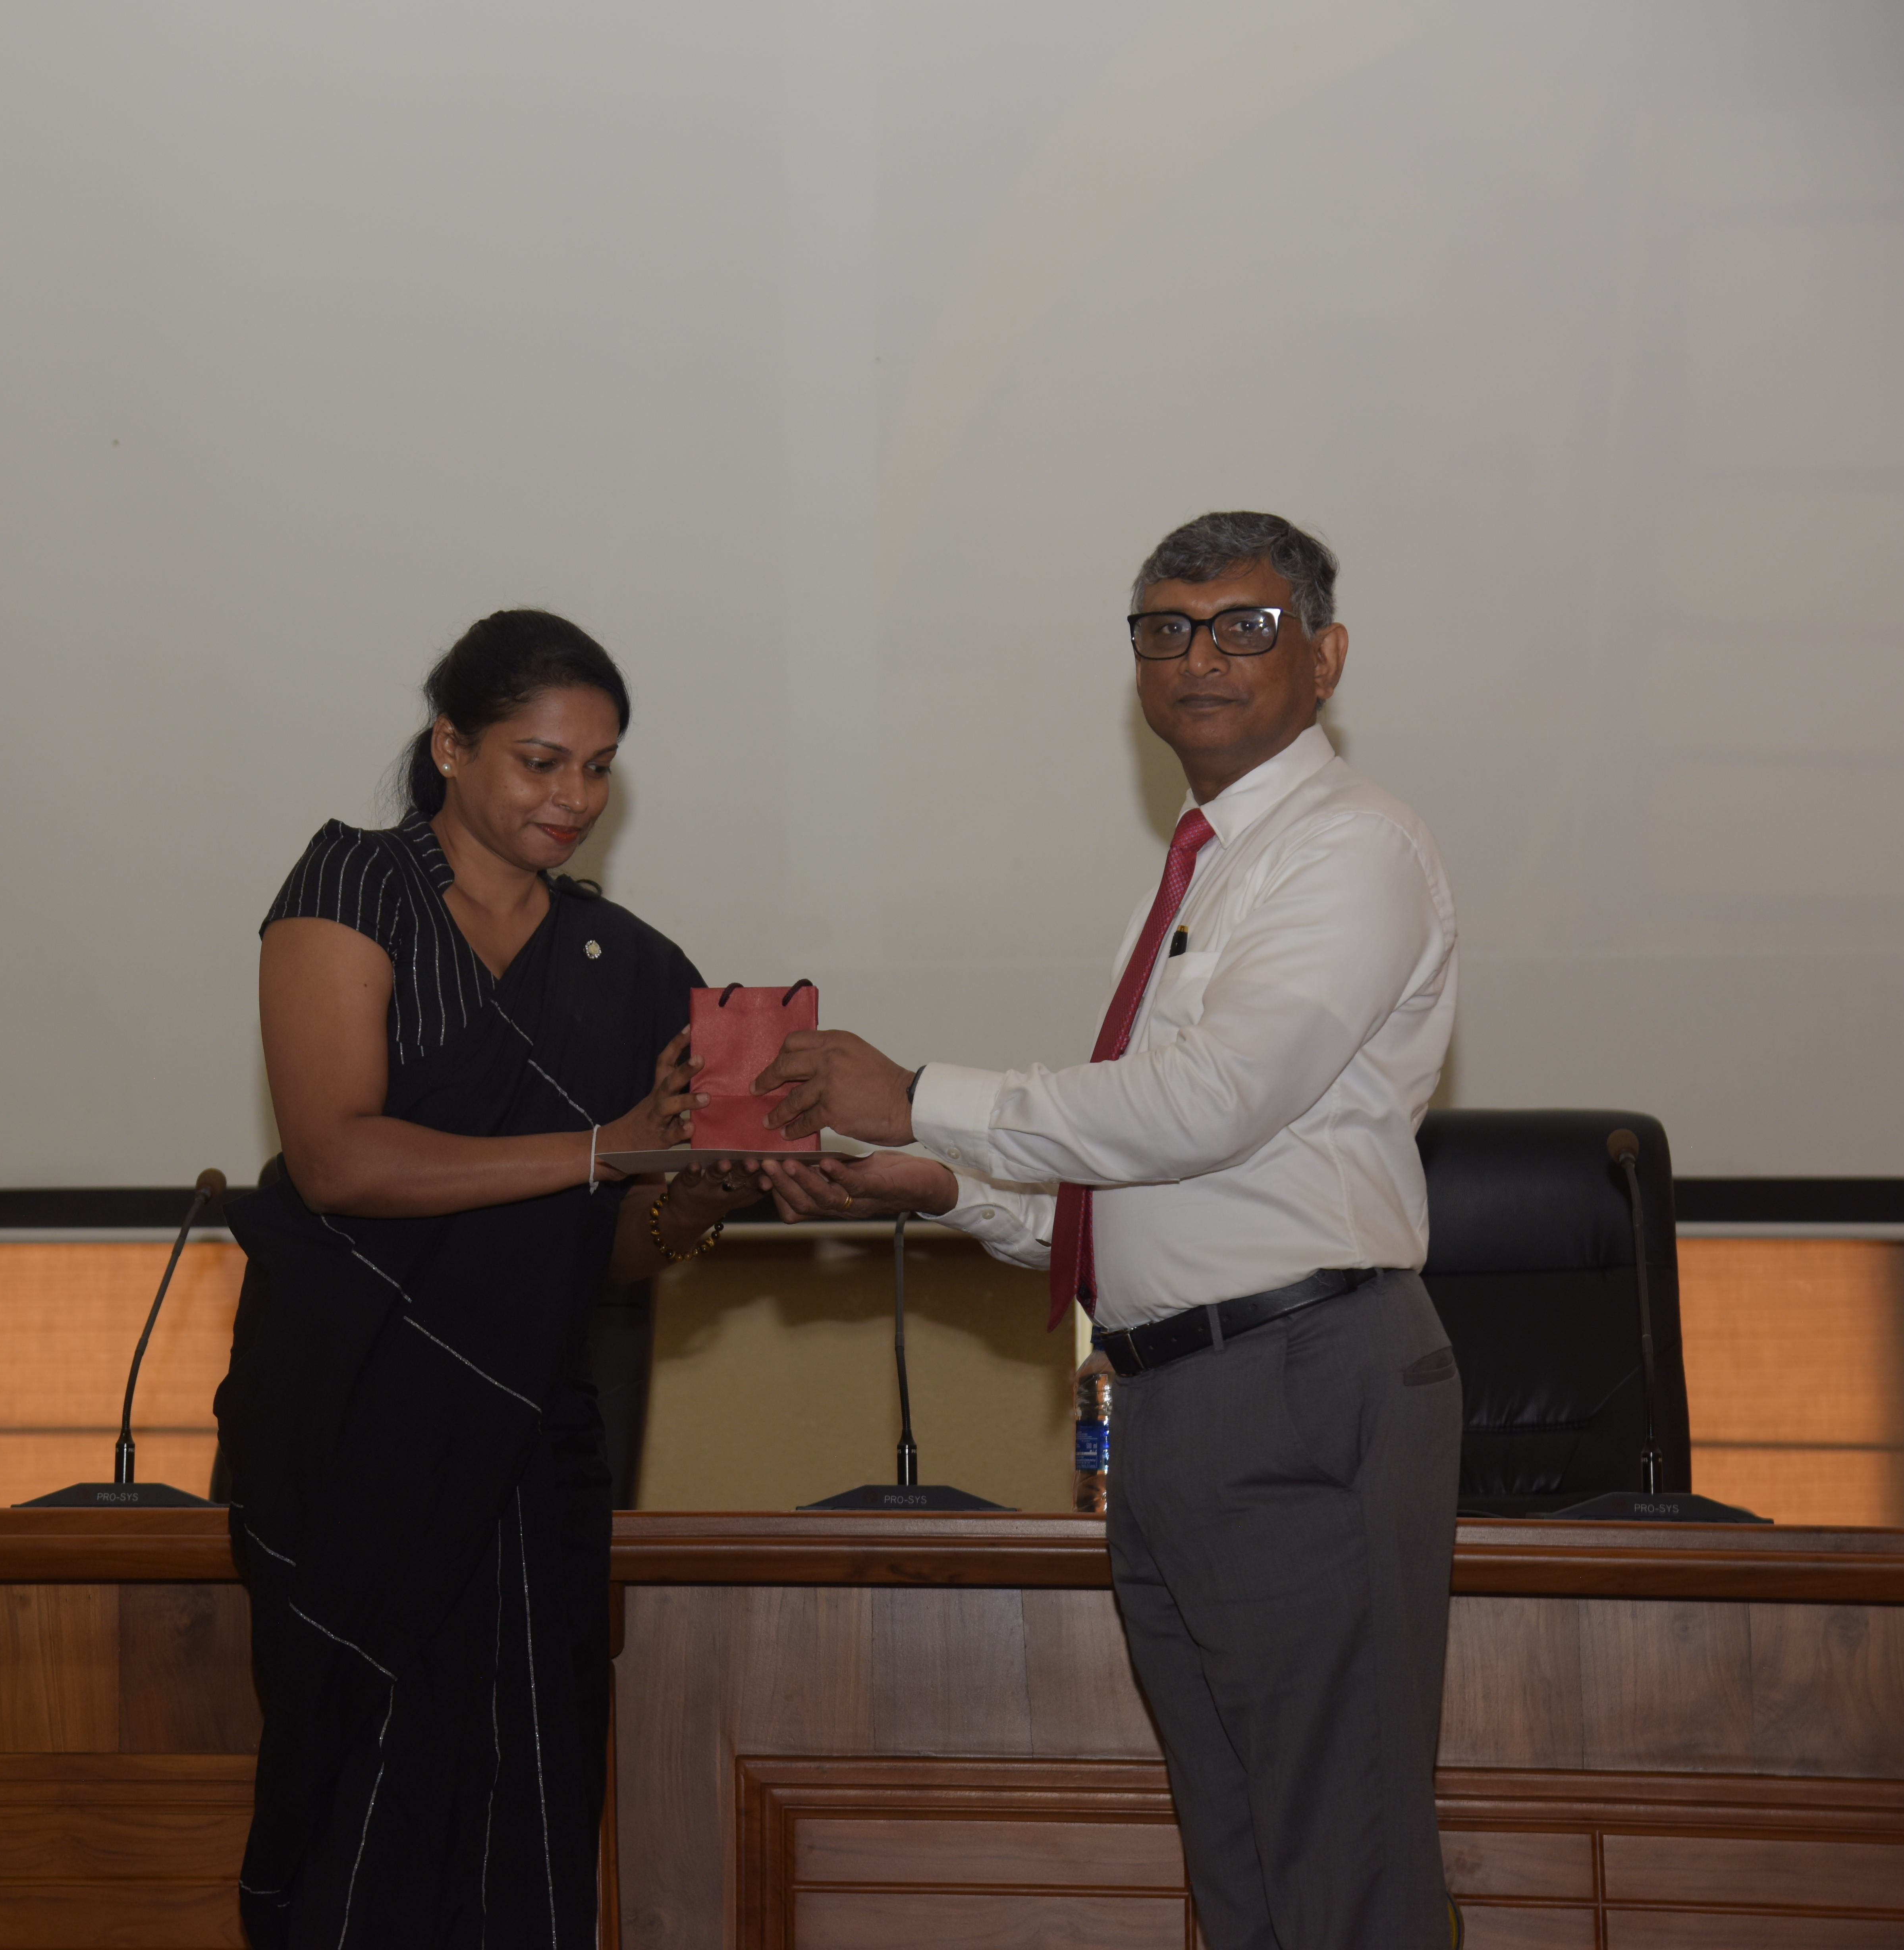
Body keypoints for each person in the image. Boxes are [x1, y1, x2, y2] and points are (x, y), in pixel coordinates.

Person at [751, 513, 1464, 1949]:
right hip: (1178, 1402)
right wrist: (950, 1190)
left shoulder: (1352, 848)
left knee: (1341, 1866)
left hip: (1296, 1383)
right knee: (1242, 1867)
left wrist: (918, 1097)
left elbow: (1209, 1103)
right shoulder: (1206, 867)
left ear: (1326, 658)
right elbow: (1156, 1190)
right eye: (1165, 629)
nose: (1200, 658)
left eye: (1245, 627)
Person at [216, 609, 752, 1949]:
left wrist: (700, 1197)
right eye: (539, 762)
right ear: (450, 747)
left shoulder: (627, 966)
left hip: (530, 1433)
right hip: (350, 1419)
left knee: (533, 1803)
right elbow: (337, 1158)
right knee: (358, 1801)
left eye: (599, 769)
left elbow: (610, 1248)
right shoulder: (354, 885)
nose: (573, 798)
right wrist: (604, 1147)